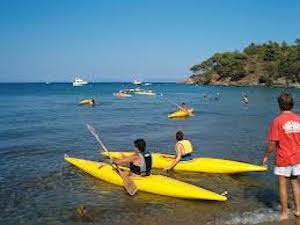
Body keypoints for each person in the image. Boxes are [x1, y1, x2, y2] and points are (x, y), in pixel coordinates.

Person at [262, 93, 300, 221]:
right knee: (295, 181)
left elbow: (272, 143)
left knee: (282, 184)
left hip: (284, 157)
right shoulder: (298, 119)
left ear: (279, 105)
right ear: (292, 104)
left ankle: (284, 212)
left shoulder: (277, 121)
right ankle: (298, 209)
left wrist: (266, 156)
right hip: (297, 157)